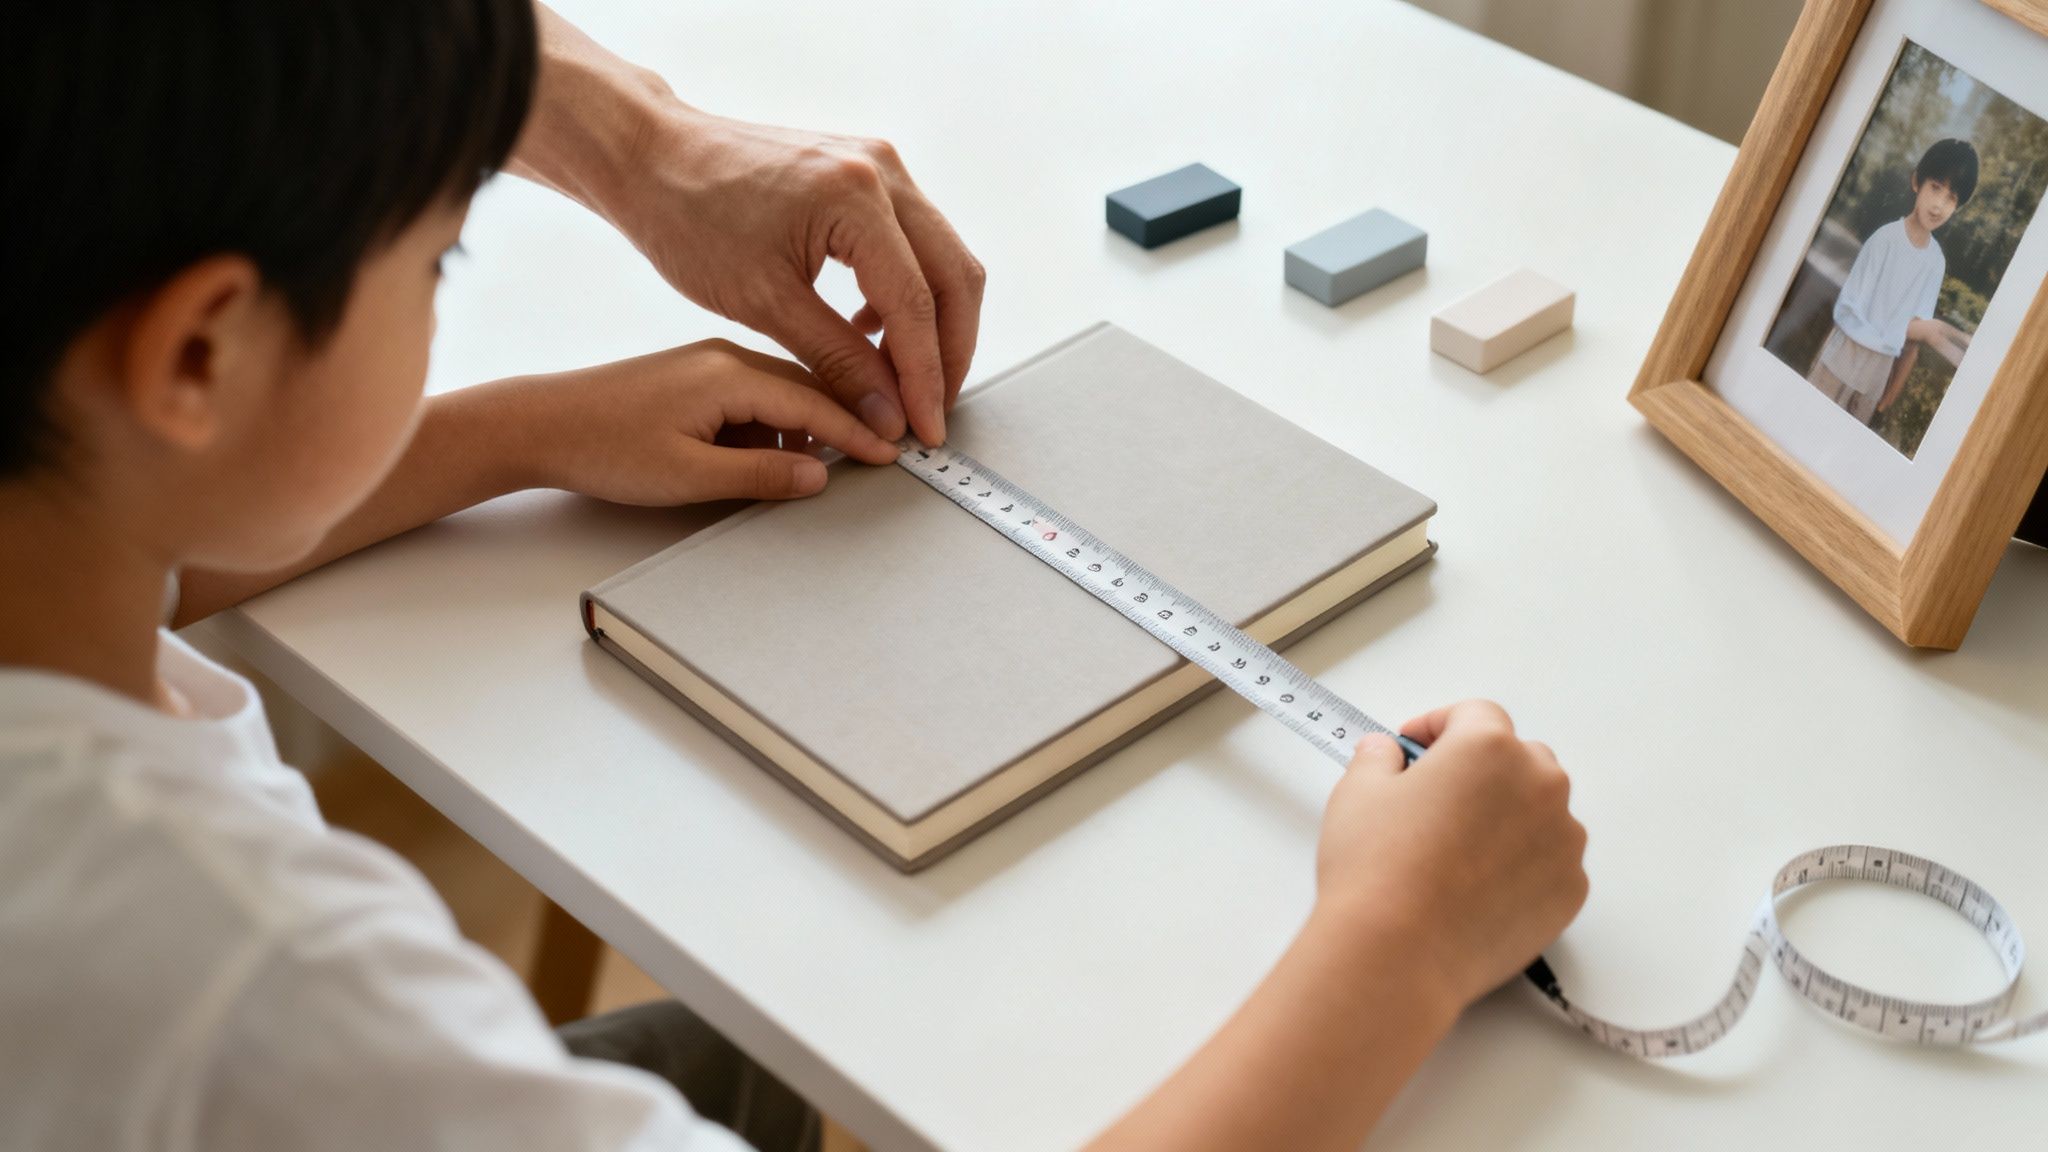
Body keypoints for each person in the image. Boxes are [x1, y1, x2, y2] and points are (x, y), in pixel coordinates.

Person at [0, 3, 1588, 1151]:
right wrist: (1402, 937)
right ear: (201, 350)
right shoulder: (241, 975)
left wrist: (519, 434)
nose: (445, 289)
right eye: (438, 261)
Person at [1806, 138, 1978, 426]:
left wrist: (1888, 396)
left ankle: (1962, 338)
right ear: (1916, 183)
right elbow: (1847, 312)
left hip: (1872, 384)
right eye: (1935, 187)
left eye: (1951, 198)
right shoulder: (1885, 239)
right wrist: (1891, 338)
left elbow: (1913, 336)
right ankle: (1958, 336)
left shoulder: (1936, 262)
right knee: (1806, 423)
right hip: (1836, 368)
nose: (1938, 205)